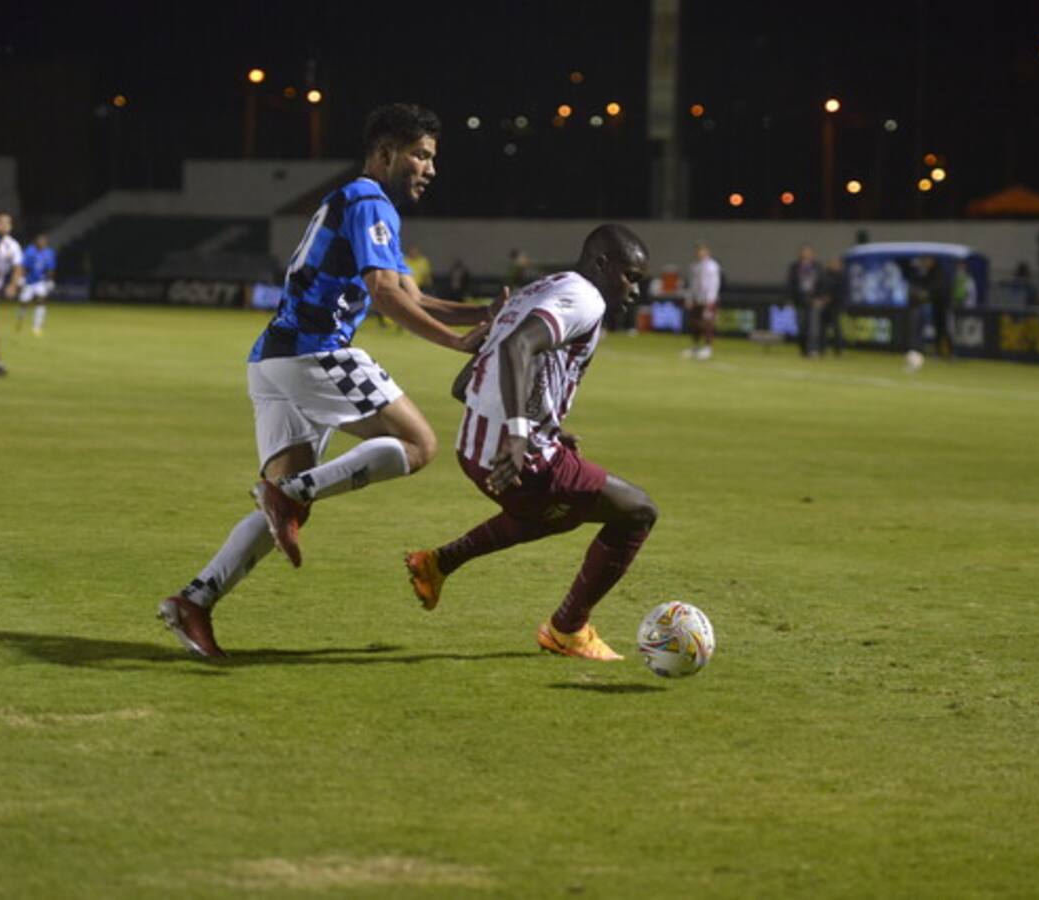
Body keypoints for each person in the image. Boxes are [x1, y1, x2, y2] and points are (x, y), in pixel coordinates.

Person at [157, 103, 493, 658]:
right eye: (421, 155)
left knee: (283, 513)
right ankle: (286, 495)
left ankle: (195, 600)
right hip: (315, 351)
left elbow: (410, 295)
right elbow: (384, 294)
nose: (430, 169)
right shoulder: (369, 200)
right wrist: (456, 343)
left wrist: (480, 314)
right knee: (420, 443)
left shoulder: (357, 201)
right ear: (386, 154)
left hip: (273, 360)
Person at [405, 224, 656, 662]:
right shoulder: (585, 298)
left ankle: (438, 563)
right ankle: (567, 630)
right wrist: (521, 433)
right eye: (630, 276)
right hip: (515, 456)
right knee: (637, 513)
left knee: (559, 512)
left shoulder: (540, 289)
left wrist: (546, 427)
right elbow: (519, 346)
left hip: (474, 448)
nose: (634, 290)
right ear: (601, 264)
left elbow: (466, 383)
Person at [0, 211, 24, 377]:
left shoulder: (12, 246)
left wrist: (13, 285)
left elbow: (18, 267)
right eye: (1, 222)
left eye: (8, 223)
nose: (5, 226)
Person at [682, 241, 720, 359]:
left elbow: (714, 284)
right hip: (696, 299)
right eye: (698, 251)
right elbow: (692, 284)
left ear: (707, 252)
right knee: (695, 324)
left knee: (707, 324)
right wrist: (689, 298)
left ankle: (708, 348)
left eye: (702, 251)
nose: (700, 253)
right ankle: (695, 346)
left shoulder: (712, 266)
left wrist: (710, 300)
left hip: (708, 300)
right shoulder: (694, 266)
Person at [787, 244, 825, 357]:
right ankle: (803, 350)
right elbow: (790, 285)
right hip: (799, 301)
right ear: (800, 254)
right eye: (804, 252)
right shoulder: (794, 267)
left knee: (814, 327)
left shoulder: (818, 267)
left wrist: (820, 298)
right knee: (801, 326)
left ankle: (813, 349)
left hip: (814, 301)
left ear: (812, 254)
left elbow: (823, 283)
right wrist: (790, 300)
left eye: (809, 252)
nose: (806, 254)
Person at [17, 233, 56, 336]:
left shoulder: (49, 253)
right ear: (36, 242)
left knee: (41, 301)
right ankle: (20, 321)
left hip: (40, 282)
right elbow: (24, 266)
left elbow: (50, 268)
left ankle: (36, 327)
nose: (42, 243)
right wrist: (21, 278)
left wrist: (50, 280)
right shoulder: (30, 251)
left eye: (44, 241)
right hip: (29, 282)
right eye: (40, 241)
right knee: (24, 302)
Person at [819, 257, 846, 356]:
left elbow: (842, 292)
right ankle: (822, 348)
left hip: (836, 305)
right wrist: (823, 298)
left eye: (836, 263)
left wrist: (832, 298)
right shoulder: (825, 275)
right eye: (832, 263)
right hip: (825, 305)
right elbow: (820, 287)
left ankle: (838, 350)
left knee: (836, 328)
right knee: (823, 328)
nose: (834, 265)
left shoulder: (842, 276)